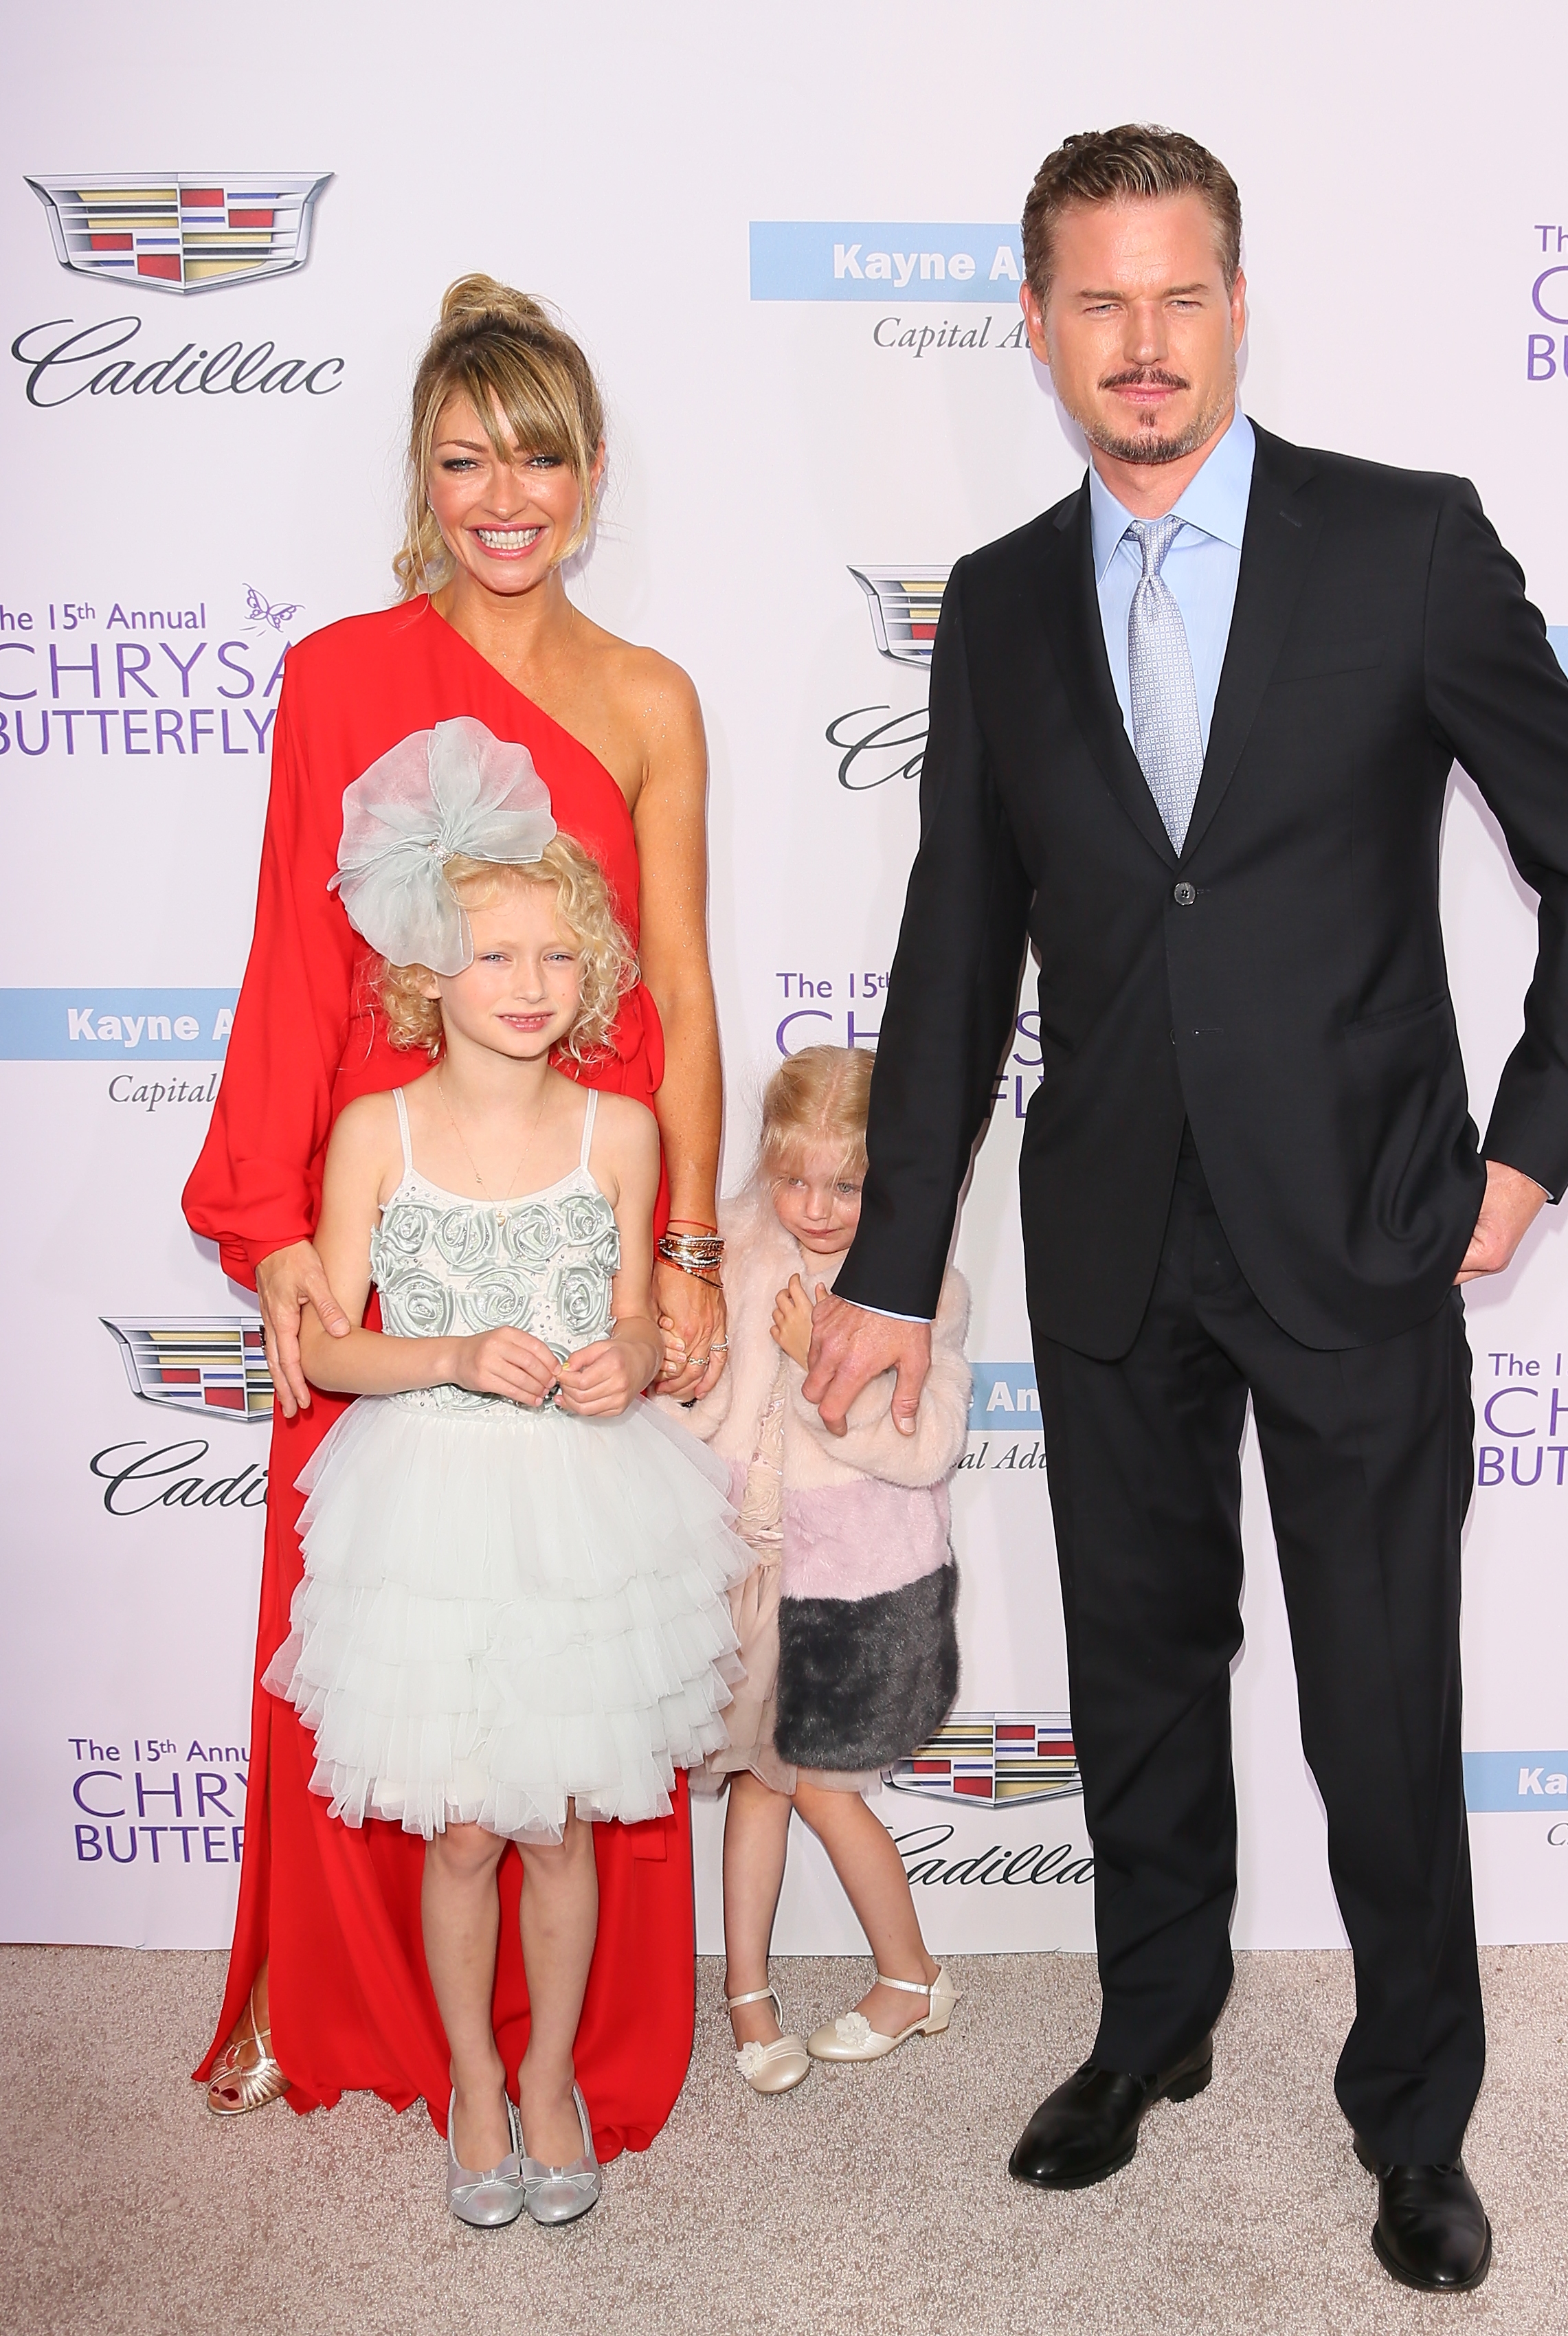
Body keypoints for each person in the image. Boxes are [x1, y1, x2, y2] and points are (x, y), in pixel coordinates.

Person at [803, 127, 1568, 2293]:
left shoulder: (1403, 548)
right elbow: (952, 945)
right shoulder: (995, 604)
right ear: (1037, 325)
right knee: (1141, 1680)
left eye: (1177, 296)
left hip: (1363, 1226)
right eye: (1096, 301)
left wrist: (1525, 1152)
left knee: (1380, 1695)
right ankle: (1148, 2027)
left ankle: (1411, 2118)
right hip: (1111, 1237)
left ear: (1234, 304)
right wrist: (895, 1265)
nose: (1141, 343)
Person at [183, 275, 730, 2149]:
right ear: (423, 475)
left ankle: (565, 2059)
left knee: (581, 1665)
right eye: (466, 456)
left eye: (542, 454)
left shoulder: (652, 698)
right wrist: (277, 1234)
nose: (507, 493)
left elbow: (676, 988)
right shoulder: (336, 672)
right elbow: (283, 966)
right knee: (393, 1681)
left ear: (589, 473)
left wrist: (680, 1256)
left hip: (578, 1220)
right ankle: (381, 2035)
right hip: (381, 1222)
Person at [267, 743, 741, 2225]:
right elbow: (333, 1347)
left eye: (556, 953)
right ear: (427, 964)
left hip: (584, 1508)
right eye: (492, 954)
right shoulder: (373, 1131)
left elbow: (632, 1314)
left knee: (560, 1820)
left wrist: (627, 1352)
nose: (529, 982)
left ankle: (550, 2083)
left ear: (593, 966)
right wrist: (456, 1353)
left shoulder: (622, 1131)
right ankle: (475, 2074)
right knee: (465, 1823)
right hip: (429, 1508)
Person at [664, 1047, 967, 2093]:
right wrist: (676, 1380)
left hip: (850, 1594)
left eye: (846, 1184)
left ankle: (912, 1976)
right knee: (755, 1784)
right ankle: (747, 1999)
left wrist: (816, 1373)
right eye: (795, 1179)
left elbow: (923, 1448)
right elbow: (705, 1405)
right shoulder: (734, 1249)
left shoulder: (921, 1284)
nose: (817, 1206)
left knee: (830, 1795)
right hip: (746, 1573)